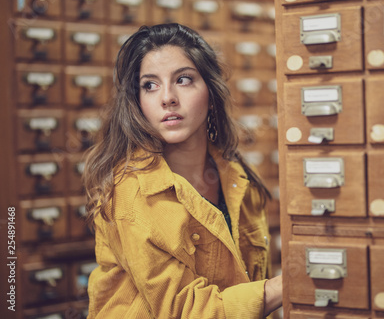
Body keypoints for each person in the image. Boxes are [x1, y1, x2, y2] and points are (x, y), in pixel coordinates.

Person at [82, 23, 283, 318]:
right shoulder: (131, 192)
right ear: (137, 104)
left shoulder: (238, 178)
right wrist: (286, 287)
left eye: (184, 80)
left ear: (211, 93)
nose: (167, 97)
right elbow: (183, 310)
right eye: (149, 85)